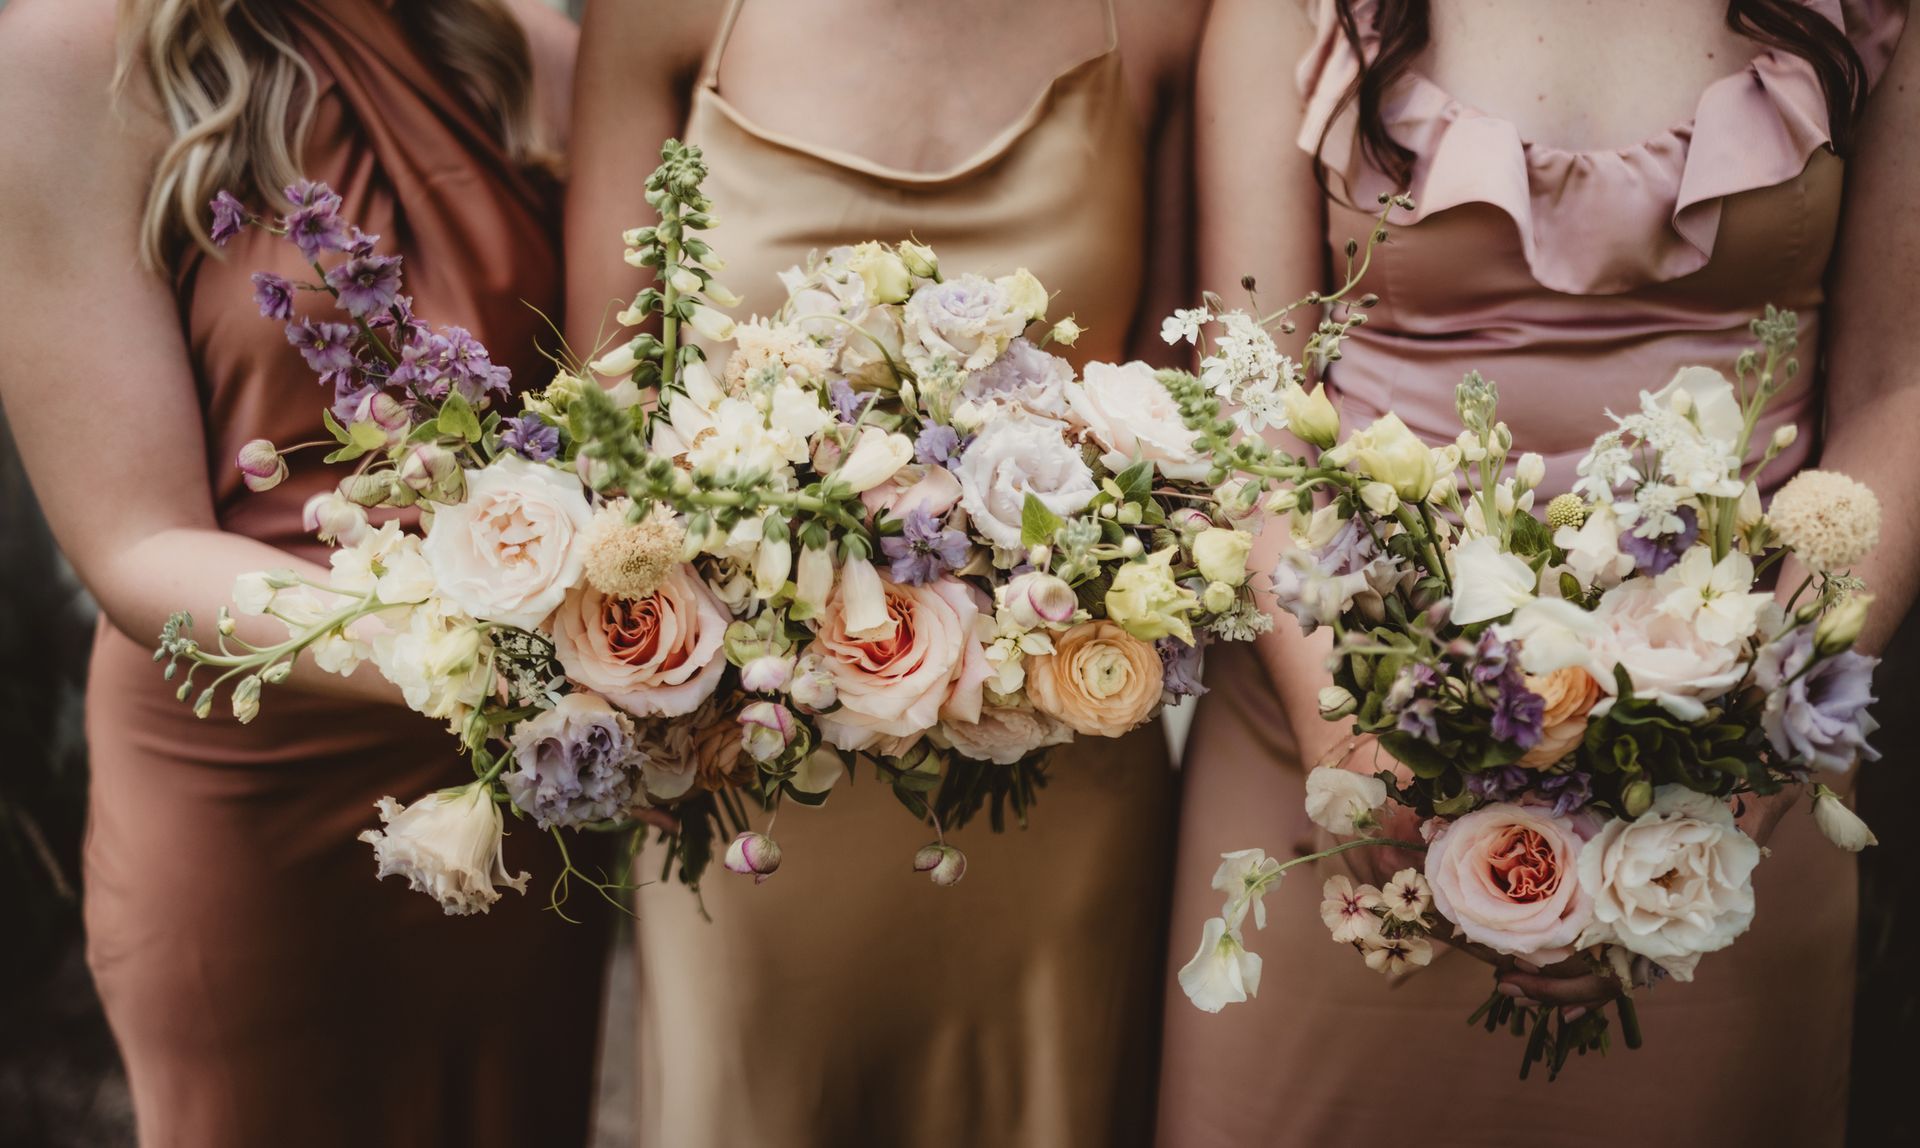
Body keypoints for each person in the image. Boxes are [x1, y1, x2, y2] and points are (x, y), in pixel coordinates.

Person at [1158, 0, 1915, 1144]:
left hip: (1724, 789)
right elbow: (1245, 392)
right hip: (1341, 739)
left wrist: (1762, 730)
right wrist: (1351, 749)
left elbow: (1897, 385)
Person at [565, 1, 1207, 1144]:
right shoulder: (661, 18)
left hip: (1046, 751)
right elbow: (609, 416)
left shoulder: (1159, 22)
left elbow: (1168, 426)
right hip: (747, 776)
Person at [0, 2, 608, 1145]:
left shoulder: (517, 42)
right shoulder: (65, 56)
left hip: (519, 790)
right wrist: (492, 652)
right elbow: (132, 540)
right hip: (258, 785)